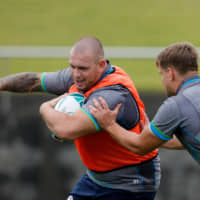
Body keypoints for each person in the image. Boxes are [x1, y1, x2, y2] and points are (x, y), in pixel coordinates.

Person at [0, 36, 160, 200]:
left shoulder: (110, 95)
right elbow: (32, 81)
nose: (76, 74)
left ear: (101, 65)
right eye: (72, 66)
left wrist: (45, 108)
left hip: (131, 183)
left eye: (82, 68)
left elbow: (65, 130)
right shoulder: (79, 78)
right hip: (96, 179)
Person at [89, 41, 200, 165]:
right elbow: (189, 138)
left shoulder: (176, 105)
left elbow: (140, 146)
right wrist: (155, 136)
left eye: (161, 74)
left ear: (170, 73)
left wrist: (109, 124)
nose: (162, 81)